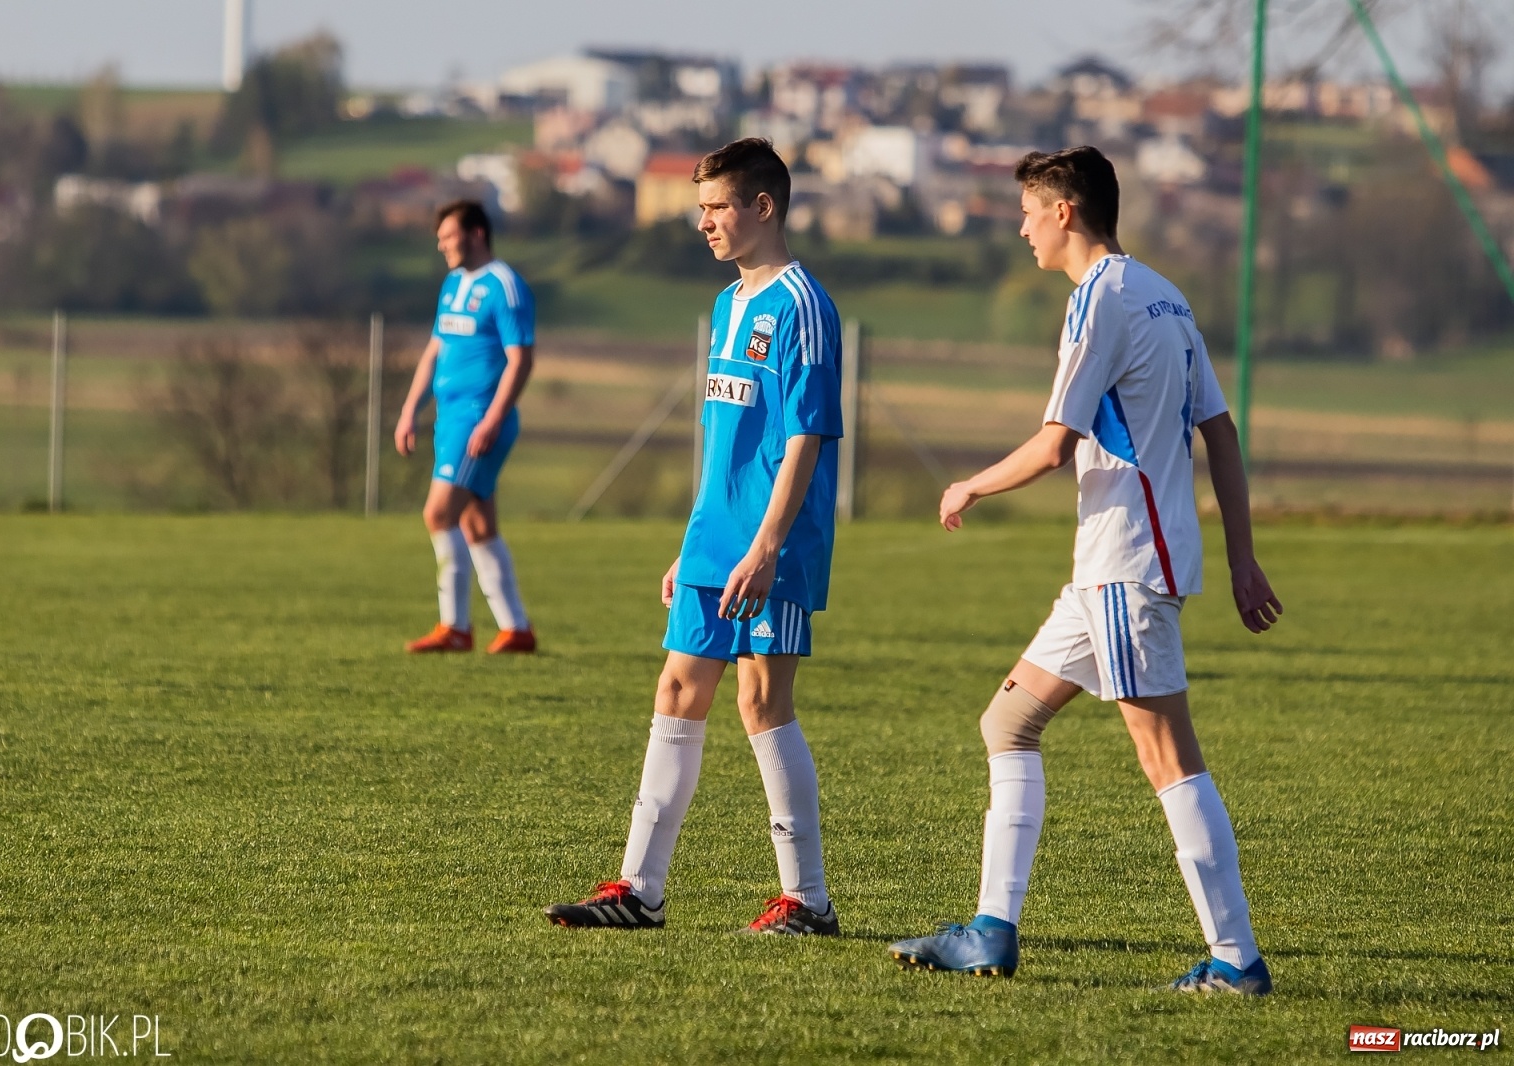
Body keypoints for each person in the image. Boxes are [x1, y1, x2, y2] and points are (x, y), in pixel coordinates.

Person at [888, 146, 1283, 994]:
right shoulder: (1166, 296)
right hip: (1108, 572)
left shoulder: (1098, 301)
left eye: (1029, 211)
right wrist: (1241, 559)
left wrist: (970, 484)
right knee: (1007, 724)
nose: (1022, 227)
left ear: (1065, 211)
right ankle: (992, 928)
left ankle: (1236, 959)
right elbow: (1221, 433)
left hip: (1125, 568)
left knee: (1168, 755)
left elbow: (1055, 443)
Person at [543, 138, 845, 935]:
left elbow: (806, 439)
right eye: (701, 207)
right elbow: (724, 442)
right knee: (677, 691)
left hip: (774, 546)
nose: (703, 222)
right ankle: (639, 892)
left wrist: (768, 543)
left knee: (760, 699)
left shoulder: (803, 305)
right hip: (716, 541)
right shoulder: (727, 305)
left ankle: (809, 902)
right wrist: (695, 541)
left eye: (717, 207)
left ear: (763, 207)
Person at [395, 200, 537, 655]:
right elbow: (435, 348)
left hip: (479, 419)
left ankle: (454, 628)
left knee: (438, 513)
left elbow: (521, 359)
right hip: (450, 418)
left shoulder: (505, 286)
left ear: (476, 233)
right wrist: (410, 408)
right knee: (478, 527)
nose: (441, 244)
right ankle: (516, 629)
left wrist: (493, 418)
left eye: (448, 235)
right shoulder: (454, 283)